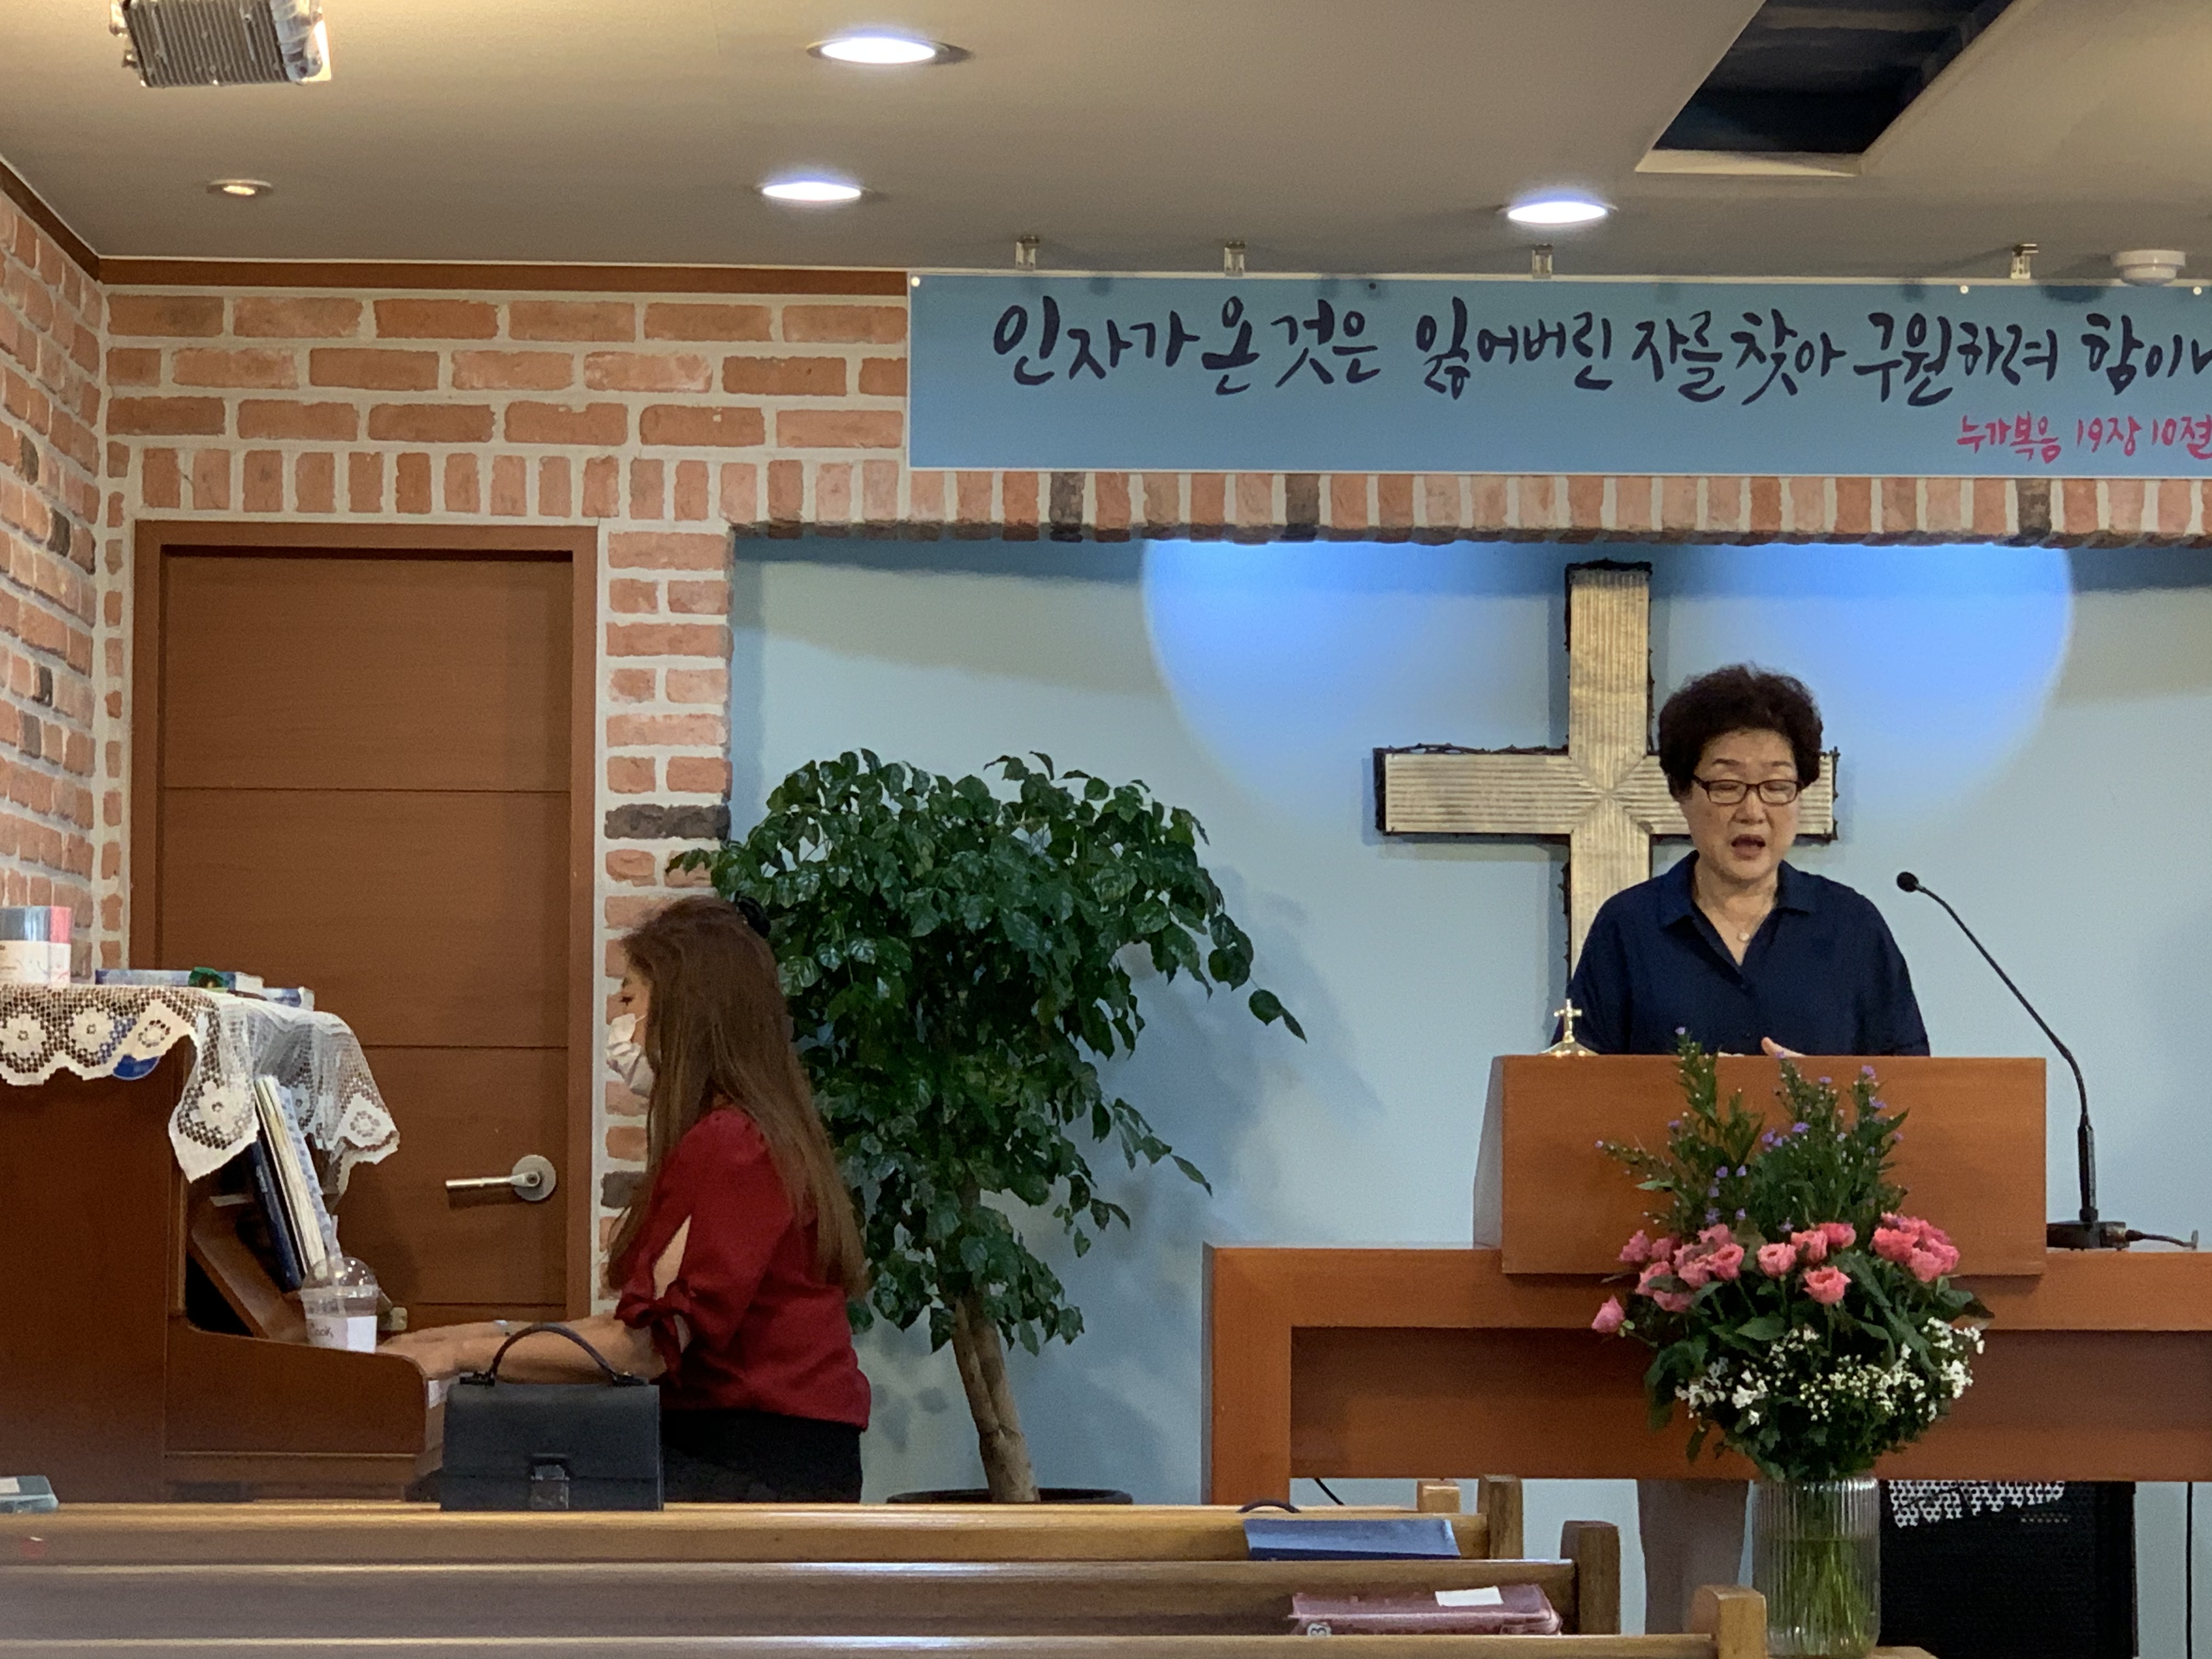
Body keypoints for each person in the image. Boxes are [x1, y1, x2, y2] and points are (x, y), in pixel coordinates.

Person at [1561, 664, 1928, 1633]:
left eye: (1776, 784)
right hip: (1684, 1291)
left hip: (1828, 1297)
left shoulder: (1852, 930)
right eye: (1725, 784)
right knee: (1692, 1576)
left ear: (1802, 797)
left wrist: (1815, 1093)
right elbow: (1575, 1097)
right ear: (1683, 795)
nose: (1751, 809)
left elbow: (1913, 1098)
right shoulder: (1630, 929)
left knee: (1816, 1568)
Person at [383, 895, 872, 1501]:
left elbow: (643, 1351)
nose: (620, 1017)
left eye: (630, 998)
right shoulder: (741, 1133)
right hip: (751, 1448)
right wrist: (450, 1340)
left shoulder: (732, 1145)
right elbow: (629, 1327)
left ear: (684, 1012)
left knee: (462, 1492)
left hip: (759, 1463)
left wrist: (459, 1356)